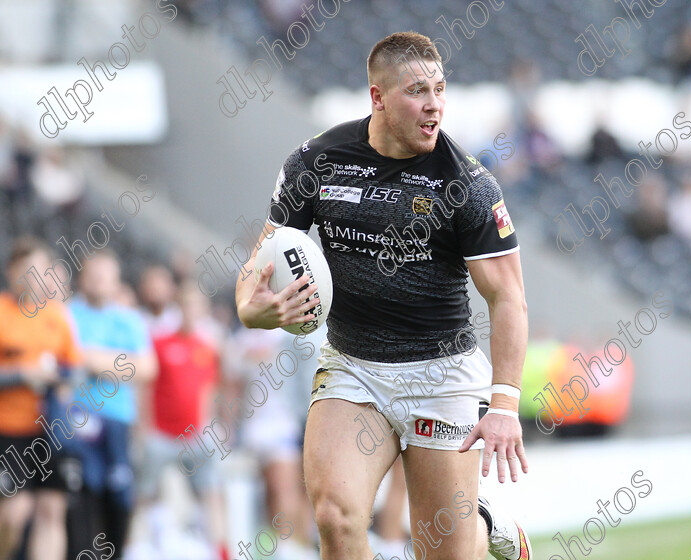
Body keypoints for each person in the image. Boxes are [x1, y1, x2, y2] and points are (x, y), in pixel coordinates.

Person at [235, 32, 531, 560]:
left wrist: (505, 403)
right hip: (353, 366)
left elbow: (508, 296)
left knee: (439, 549)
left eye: (440, 89)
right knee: (334, 515)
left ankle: (485, 525)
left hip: (441, 376)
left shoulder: (468, 184)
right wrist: (250, 308)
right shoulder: (317, 163)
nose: (435, 104)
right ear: (378, 98)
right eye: (418, 91)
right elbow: (261, 260)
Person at [66, 250, 157, 560]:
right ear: (82, 278)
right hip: (78, 418)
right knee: (80, 495)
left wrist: (95, 359)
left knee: (119, 498)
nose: (100, 281)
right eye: (94, 275)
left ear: (116, 281)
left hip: (118, 421)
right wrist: (120, 364)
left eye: (106, 276)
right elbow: (69, 360)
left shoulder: (129, 320)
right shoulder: (67, 315)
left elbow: (147, 368)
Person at [0, 237, 83, 560]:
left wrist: (60, 380)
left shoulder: (57, 317)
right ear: (12, 272)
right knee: (13, 515)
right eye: (26, 269)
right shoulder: (3, 312)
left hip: (50, 432)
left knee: (51, 511)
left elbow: (74, 370)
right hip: (10, 430)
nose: (33, 277)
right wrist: (23, 374)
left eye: (39, 270)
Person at [137, 284, 229, 560]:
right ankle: (138, 547)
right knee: (146, 494)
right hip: (161, 434)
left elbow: (208, 391)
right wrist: (144, 427)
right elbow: (145, 386)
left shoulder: (206, 349)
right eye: (186, 305)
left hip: (195, 436)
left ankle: (221, 552)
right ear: (178, 309)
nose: (191, 312)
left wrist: (209, 425)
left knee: (211, 493)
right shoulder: (159, 342)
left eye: (196, 306)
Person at [225, 323, 327, 560]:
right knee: (278, 492)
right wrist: (230, 434)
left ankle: (296, 546)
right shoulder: (240, 342)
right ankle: (287, 546)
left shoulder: (291, 336)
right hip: (260, 430)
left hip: (291, 424)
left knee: (295, 490)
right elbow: (233, 390)